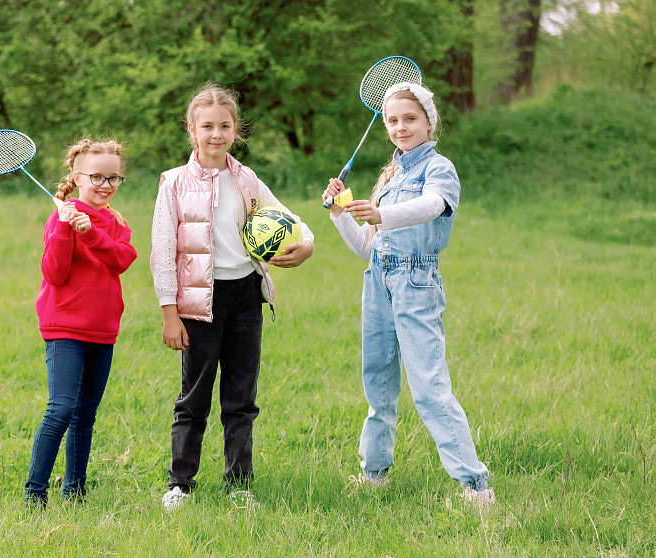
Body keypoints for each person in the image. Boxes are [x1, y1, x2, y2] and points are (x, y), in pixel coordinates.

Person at [323, 82, 495, 506]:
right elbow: (368, 245)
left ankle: (475, 487)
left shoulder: (439, 169)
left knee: (428, 386)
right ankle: (374, 473)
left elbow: (433, 206)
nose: (401, 127)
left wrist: (382, 213)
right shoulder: (389, 175)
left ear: (428, 122)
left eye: (410, 119)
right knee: (377, 383)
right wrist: (339, 214)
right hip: (377, 279)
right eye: (393, 120)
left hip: (415, 282)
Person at [151, 84, 315, 511]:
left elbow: (289, 217)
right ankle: (180, 484)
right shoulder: (173, 184)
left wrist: (308, 243)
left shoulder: (246, 179)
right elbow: (162, 252)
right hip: (198, 302)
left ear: (236, 129)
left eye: (224, 126)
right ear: (191, 130)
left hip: (245, 296)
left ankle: (239, 484)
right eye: (207, 126)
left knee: (241, 397)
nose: (216, 134)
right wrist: (170, 313)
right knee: (195, 396)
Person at [24, 138, 138, 506]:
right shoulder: (61, 217)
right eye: (97, 177)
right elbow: (54, 274)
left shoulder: (115, 222)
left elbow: (121, 259)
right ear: (77, 176)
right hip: (65, 328)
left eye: (114, 178)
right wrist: (64, 229)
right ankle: (34, 493)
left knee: (85, 415)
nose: (106, 186)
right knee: (61, 408)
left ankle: (74, 491)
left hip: (103, 329)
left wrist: (92, 233)